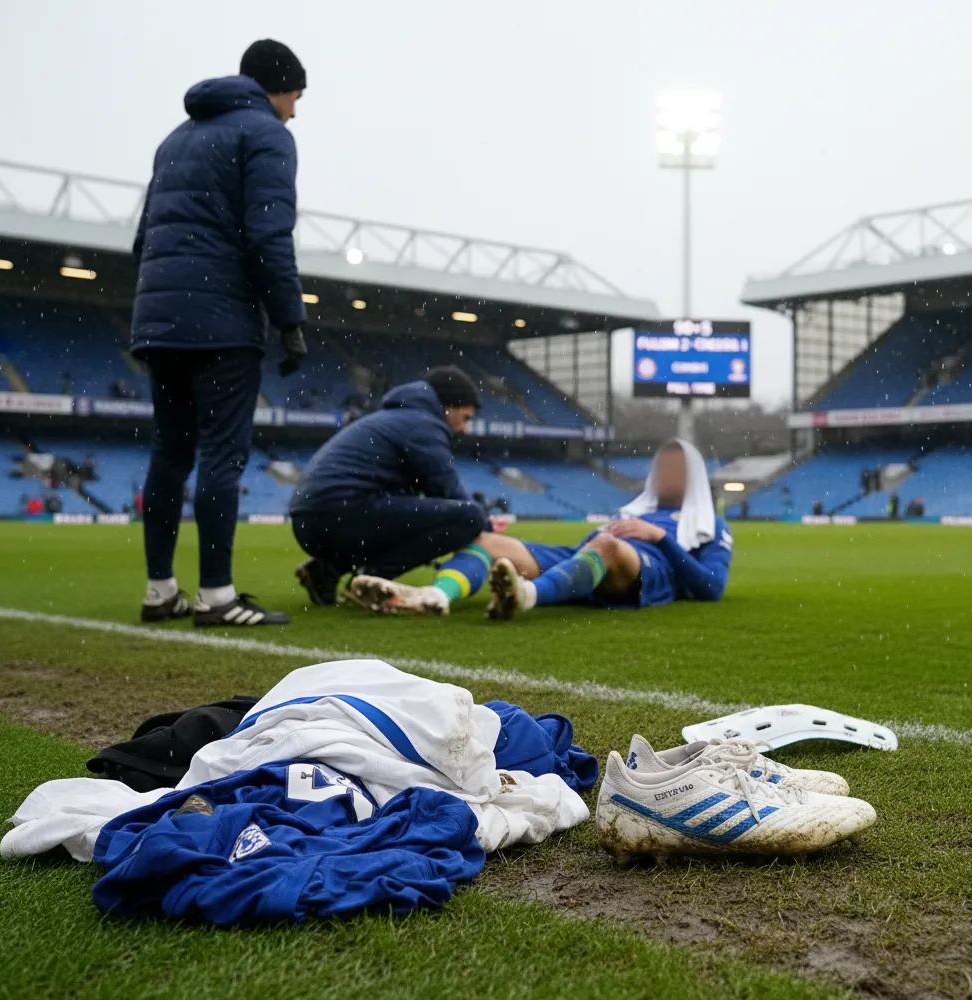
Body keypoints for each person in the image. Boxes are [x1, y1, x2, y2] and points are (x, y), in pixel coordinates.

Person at [132, 40, 308, 628]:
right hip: (223, 318)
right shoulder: (266, 135)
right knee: (222, 455)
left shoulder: (175, 139)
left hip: (160, 317)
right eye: (295, 98)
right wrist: (290, 319)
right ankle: (217, 597)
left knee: (169, 450)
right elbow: (267, 237)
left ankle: (160, 591)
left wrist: (161, 308)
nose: (294, 112)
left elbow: (144, 240)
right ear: (276, 89)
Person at [348, 439, 733, 620]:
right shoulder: (635, 508)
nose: (666, 474)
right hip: (585, 554)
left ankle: (527, 595)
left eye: (676, 468)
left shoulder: (710, 524)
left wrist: (661, 538)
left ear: (695, 474)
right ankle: (436, 596)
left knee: (608, 546)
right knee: (487, 540)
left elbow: (712, 588)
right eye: (662, 467)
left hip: (642, 568)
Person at [289, 366, 487, 605]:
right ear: (450, 407)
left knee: (413, 516)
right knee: (469, 517)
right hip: (341, 513)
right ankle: (371, 577)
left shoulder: (396, 417)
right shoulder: (423, 424)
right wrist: (487, 530)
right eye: (465, 418)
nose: (464, 429)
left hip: (310, 521)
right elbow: (448, 490)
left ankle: (327, 570)